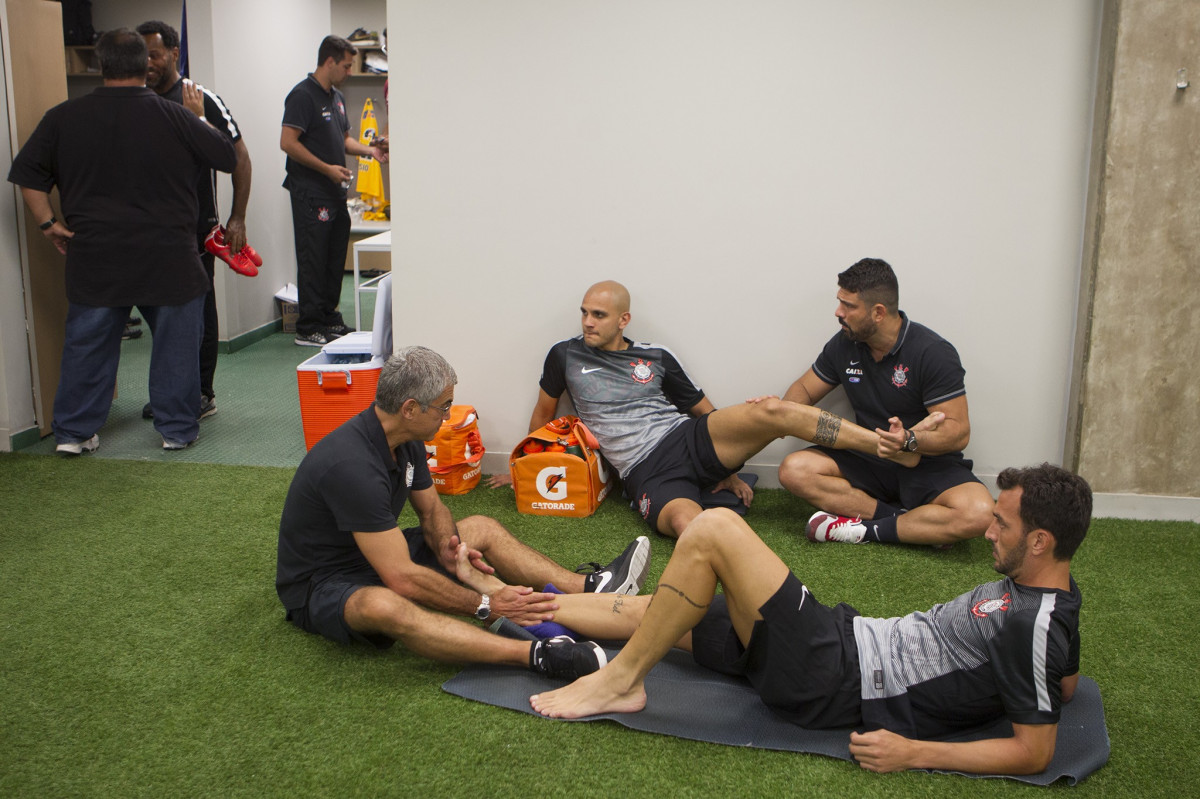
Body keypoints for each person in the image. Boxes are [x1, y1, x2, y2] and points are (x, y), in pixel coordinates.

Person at [530, 463, 1091, 777]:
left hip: (833, 677)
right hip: (840, 642)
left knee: (714, 530)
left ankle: (622, 681)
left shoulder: (1031, 622)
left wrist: (915, 751)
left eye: (1002, 526)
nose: (988, 532)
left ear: (1041, 541)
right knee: (664, 610)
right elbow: (1062, 686)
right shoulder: (1053, 596)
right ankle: (515, 603)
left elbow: (1035, 752)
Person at [276, 346, 651, 677]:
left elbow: (432, 508)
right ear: (409, 409)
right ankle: (537, 655)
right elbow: (402, 578)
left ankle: (588, 586)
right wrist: (485, 604)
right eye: (443, 407)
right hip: (322, 583)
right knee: (384, 605)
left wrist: (449, 549)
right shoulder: (351, 465)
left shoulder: (403, 440)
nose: (447, 415)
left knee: (480, 527)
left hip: (372, 554)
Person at [513, 280, 931, 538]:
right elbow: (544, 413)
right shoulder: (563, 355)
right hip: (645, 471)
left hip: (687, 439)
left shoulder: (656, 356)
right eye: (584, 313)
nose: (588, 322)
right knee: (692, 527)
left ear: (623, 320)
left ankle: (890, 446)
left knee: (775, 410)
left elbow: (700, 408)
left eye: (599, 315)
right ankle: (898, 519)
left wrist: (725, 469)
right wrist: (523, 468)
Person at [7, 28, 236, 452]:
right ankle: (176, 430)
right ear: (144, 65)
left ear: (100, 65)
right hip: (167, 257)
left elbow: (26, 176)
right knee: (176, 347)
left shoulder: (63, 117)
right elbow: (226, 156)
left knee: (87, 345)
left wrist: (47, 224)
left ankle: (73, 433)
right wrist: (199, 116)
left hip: (96, 256)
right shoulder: (177, 116)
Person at [778, 258, 994, 546]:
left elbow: (958, 431)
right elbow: (804, 389)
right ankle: (905, 522)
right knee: (794, 470)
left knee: (980, 513)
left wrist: (909, 440)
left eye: (849, 306)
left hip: (926, 463)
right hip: (870, 457)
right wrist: (780, 413)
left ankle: (865, 530)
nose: (838, 312)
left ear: (878, 312)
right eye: (839, 302)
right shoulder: (845, 344)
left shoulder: (932, 352)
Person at [137, 20, 253, 422]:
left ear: (173, 53)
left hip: (196, 229)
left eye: (154, 54)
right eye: (142, 55)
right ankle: (175, 391)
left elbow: (240, 158)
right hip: (150, 231)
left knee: (199, 312)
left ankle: (202, 392)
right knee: (162, 315)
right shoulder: (137, 101)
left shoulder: (200, 98)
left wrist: (237, 217)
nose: (147, 62)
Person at [281, 35, 389, 348]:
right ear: (329, 62)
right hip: (309, 191)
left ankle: (329, 317)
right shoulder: (302, 96)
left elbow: (343, 142)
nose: (349, 71)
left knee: (332, 257)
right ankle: (309, 325)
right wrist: (327, 168)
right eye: (345, 65)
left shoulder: (337, 97)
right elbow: (287, 143)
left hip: (334, 192)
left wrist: (371, 151)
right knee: (313, 257)